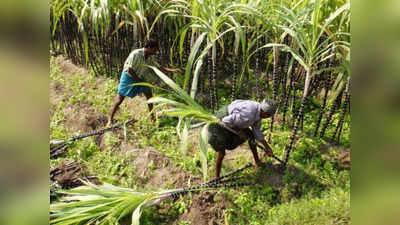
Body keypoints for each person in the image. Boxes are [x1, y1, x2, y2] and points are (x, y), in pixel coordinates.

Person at [107, 39, 183, 126]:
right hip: (128, 76)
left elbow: (158, 67)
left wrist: (173, 70)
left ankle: (152, 118)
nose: (155, 52)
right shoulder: (136, 54)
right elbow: (130, 70)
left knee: (149, 95)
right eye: (154, 49)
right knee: (120, 99)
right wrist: (139, 82)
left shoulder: (149, 56)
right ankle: (110, 119)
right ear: (149, 48)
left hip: (140, 76)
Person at [208, 99, 277, 178]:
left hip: (232, 123)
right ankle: (216, 177)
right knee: (222, 150)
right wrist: (239, 131)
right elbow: (226, 121)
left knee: (250, 135)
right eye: (268, 116)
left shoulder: (258, 113)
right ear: (265, 113)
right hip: (218, 122)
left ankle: (257, 162)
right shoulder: (249, 113)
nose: (267, 118)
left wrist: (267, 147)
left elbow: (257, 132)